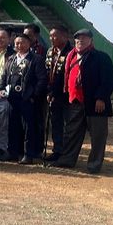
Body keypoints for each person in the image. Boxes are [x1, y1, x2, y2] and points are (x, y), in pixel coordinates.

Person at [52, 29, 113, 173]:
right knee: (71, 133)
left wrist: (101, 98)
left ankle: (94, 165)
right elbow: (61, 78)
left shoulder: (101, 57)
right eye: (78, 39)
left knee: (97, 136)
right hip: (74, 101)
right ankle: (67, 160)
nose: (81, 41)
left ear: (91, 41)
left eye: (84, 38)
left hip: (95, 103)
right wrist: (54, 93)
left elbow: (109, 80)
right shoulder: (70, 57)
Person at [0, 34, 47, 164]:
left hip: (28, 99)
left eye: (22, 43)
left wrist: (33, 96)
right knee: (13, 126)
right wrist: (2, 89)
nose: (19, 45)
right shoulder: (11, 59)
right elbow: (4, 76)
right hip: (12, 98)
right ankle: (13, 152)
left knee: (29, 127)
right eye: (17, 43)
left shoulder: (36, 59)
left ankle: (28, 154)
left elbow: (42, 80)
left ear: (29, 44)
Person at [44, 26, 73, 162]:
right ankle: (57, 150)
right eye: (50, 36)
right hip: (52, 94)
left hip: (65, 94)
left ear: (64, 36)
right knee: (56, 124)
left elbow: (64, 76)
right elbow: (47, 72)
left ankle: (66, 154)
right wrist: (49, 91)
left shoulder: (71, 52)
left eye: (55, 36)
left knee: (67, 125)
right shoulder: (50, 51)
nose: (51, 38)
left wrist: (55, 91)